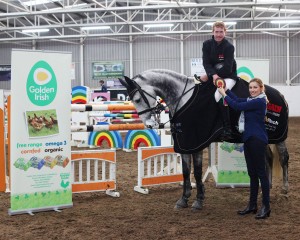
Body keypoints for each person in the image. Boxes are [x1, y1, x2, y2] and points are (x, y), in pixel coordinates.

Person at [218, 78, 271, 220]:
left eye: (255, 87)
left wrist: (223, 94)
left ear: (261, 88)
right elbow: (238, 100)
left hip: (257, 140)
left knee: (261, 174)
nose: (252, 90)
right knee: (252, 174)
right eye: (250, 87)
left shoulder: (259, 101)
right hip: (248, 139)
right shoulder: (250, 100)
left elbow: (236, 106)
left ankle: (266, 206)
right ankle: (252, 205)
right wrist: (226, 88)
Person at [200, 21, 237, 139]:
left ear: (225, 32)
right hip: (213, 74)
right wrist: (211, 74)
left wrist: (212, 75)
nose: (219, 34)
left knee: (218, 95)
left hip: (229, 76)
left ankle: (227, 129)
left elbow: (227, 68)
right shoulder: (206, 44)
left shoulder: (229, 47)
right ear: (213, 32)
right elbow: (206, 62)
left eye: (221, 32)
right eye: (217, 32)